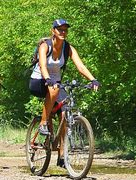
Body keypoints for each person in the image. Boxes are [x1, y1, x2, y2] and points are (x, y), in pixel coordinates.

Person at [29, 19, 100, 167]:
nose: (63, 32)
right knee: (54, 91)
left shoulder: (68, 48)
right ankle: (43, 123)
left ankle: (62, 154)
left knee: (64, 114)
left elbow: (80, 66)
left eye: (65, 30)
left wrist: (93, 79)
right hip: (39, 80)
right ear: (53, 31)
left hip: (55, 82)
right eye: (59, 29)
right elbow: (42, 65)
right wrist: (48, 79)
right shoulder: (45, 45)